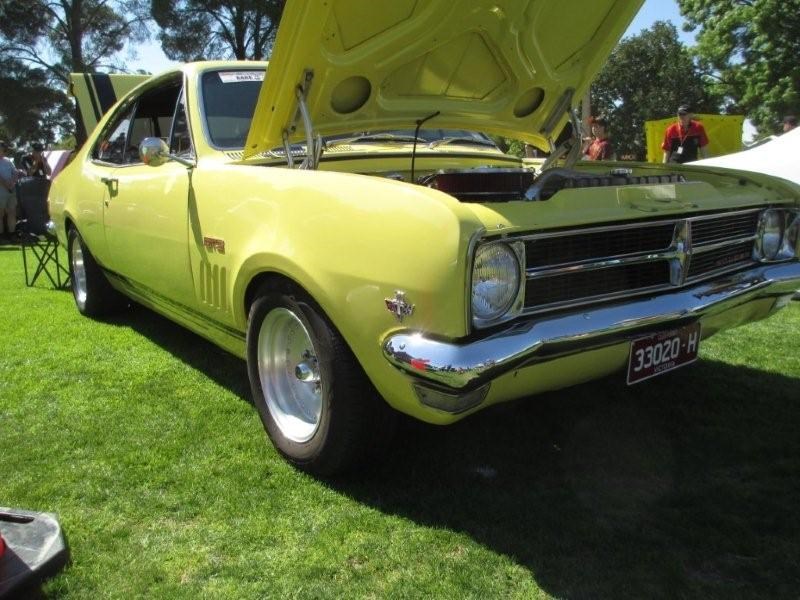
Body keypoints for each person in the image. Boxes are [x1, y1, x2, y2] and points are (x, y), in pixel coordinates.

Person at [0, 141, 19, 243]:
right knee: (0, 214)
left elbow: (15, 172)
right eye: (2, 147)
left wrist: (13, 182)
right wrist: (7, 185)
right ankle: (1, 237)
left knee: (12, 212)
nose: (3, 149)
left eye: (3, 148)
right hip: (1, 192)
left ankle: (12, 235)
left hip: (11, 191)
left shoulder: (8, 161)